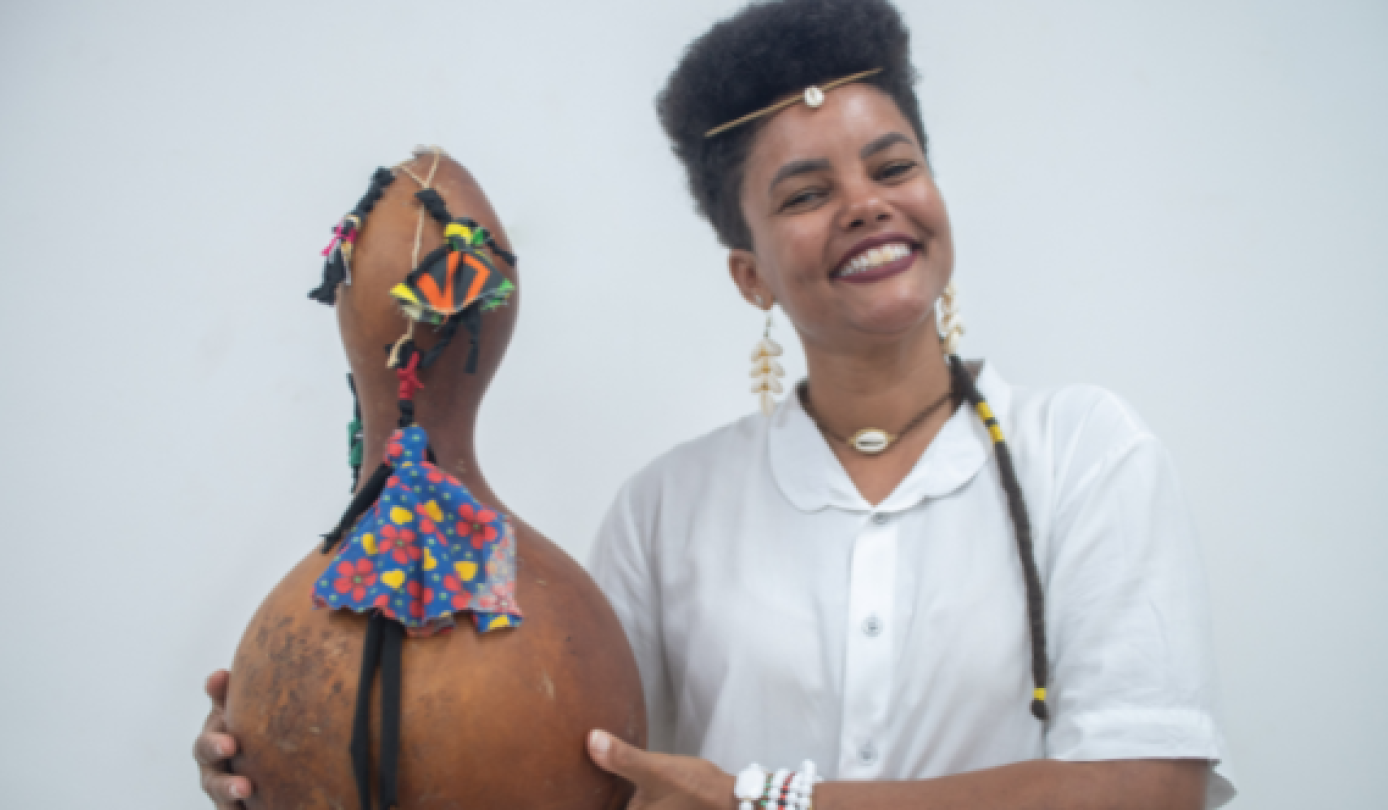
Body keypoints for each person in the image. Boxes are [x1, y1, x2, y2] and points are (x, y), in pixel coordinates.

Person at [196, 0, 1234, 807]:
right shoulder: (669, 511)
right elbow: (578, 771)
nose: (866, 202)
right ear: (749, 277)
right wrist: (306, 748)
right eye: (805, 193)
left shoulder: (1088, 453)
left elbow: (1152, 789)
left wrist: (765, 801)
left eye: (893, 165)